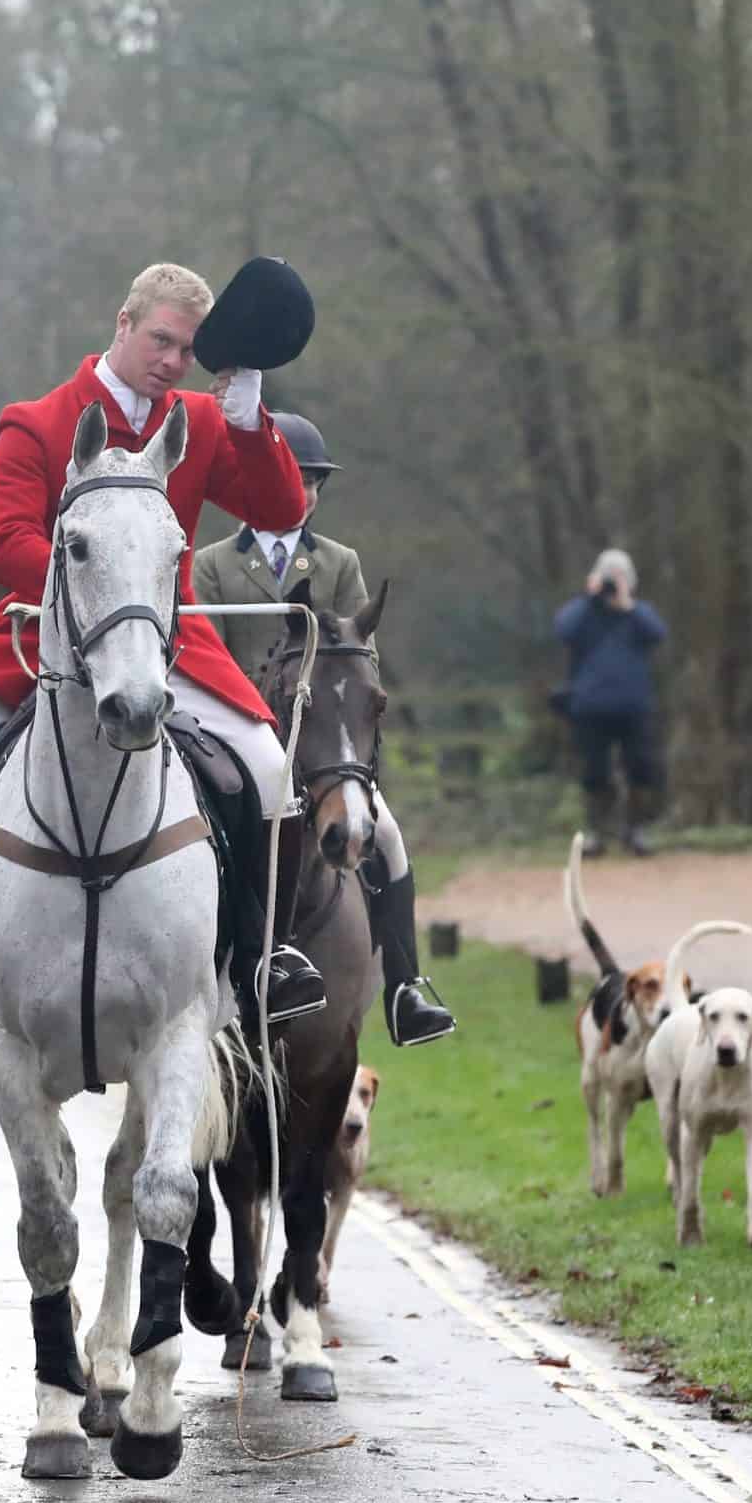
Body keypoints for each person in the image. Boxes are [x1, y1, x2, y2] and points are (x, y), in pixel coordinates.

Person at [0, 261, 320, 1023]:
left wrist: (247, 421)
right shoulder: (38, 420)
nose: (172, 363)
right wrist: (98, 591)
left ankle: (264, 955)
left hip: (169, 645)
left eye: (186, 351)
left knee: (270, 770)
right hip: (41, 639)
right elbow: (3, 538)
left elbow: (280, 510)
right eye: (161, 341)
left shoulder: (198, 424)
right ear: (124, 323)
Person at [191, 412, 454, 1045]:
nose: (302, 492)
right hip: (238, 736)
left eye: (311, 481)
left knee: (387, 837)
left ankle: (404, 988)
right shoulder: (210, 566)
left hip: (323, 744)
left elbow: (361, 656)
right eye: (290, 478)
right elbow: (202, 656)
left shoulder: (339, 563)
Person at [556, 548, 667, 857]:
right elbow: (563, 630)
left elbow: (658, 633)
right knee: (594, 771)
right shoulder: (582, 614)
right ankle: (597, 833)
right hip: (590, 707)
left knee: (641, 768)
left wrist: (626, 605)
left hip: (634, 706)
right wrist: (588, 598)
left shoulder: (637, 614)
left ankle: (636, 831)